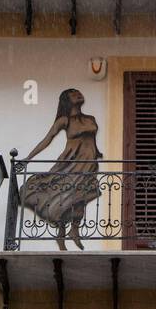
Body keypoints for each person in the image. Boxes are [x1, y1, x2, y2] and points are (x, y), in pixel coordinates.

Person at [19, 89, 102, 250]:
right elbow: (47, 139)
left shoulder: (90, 118)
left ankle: (74, 231)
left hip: (89, 164)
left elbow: (91, 140)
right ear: (67, 100)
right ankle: (61, 234)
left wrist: (97, 153)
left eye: (78, 92)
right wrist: (28, 158)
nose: (78, 94)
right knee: (67, 198)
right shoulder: (64, 120)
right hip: (71, 163)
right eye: (73, 93)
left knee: (81, 199)